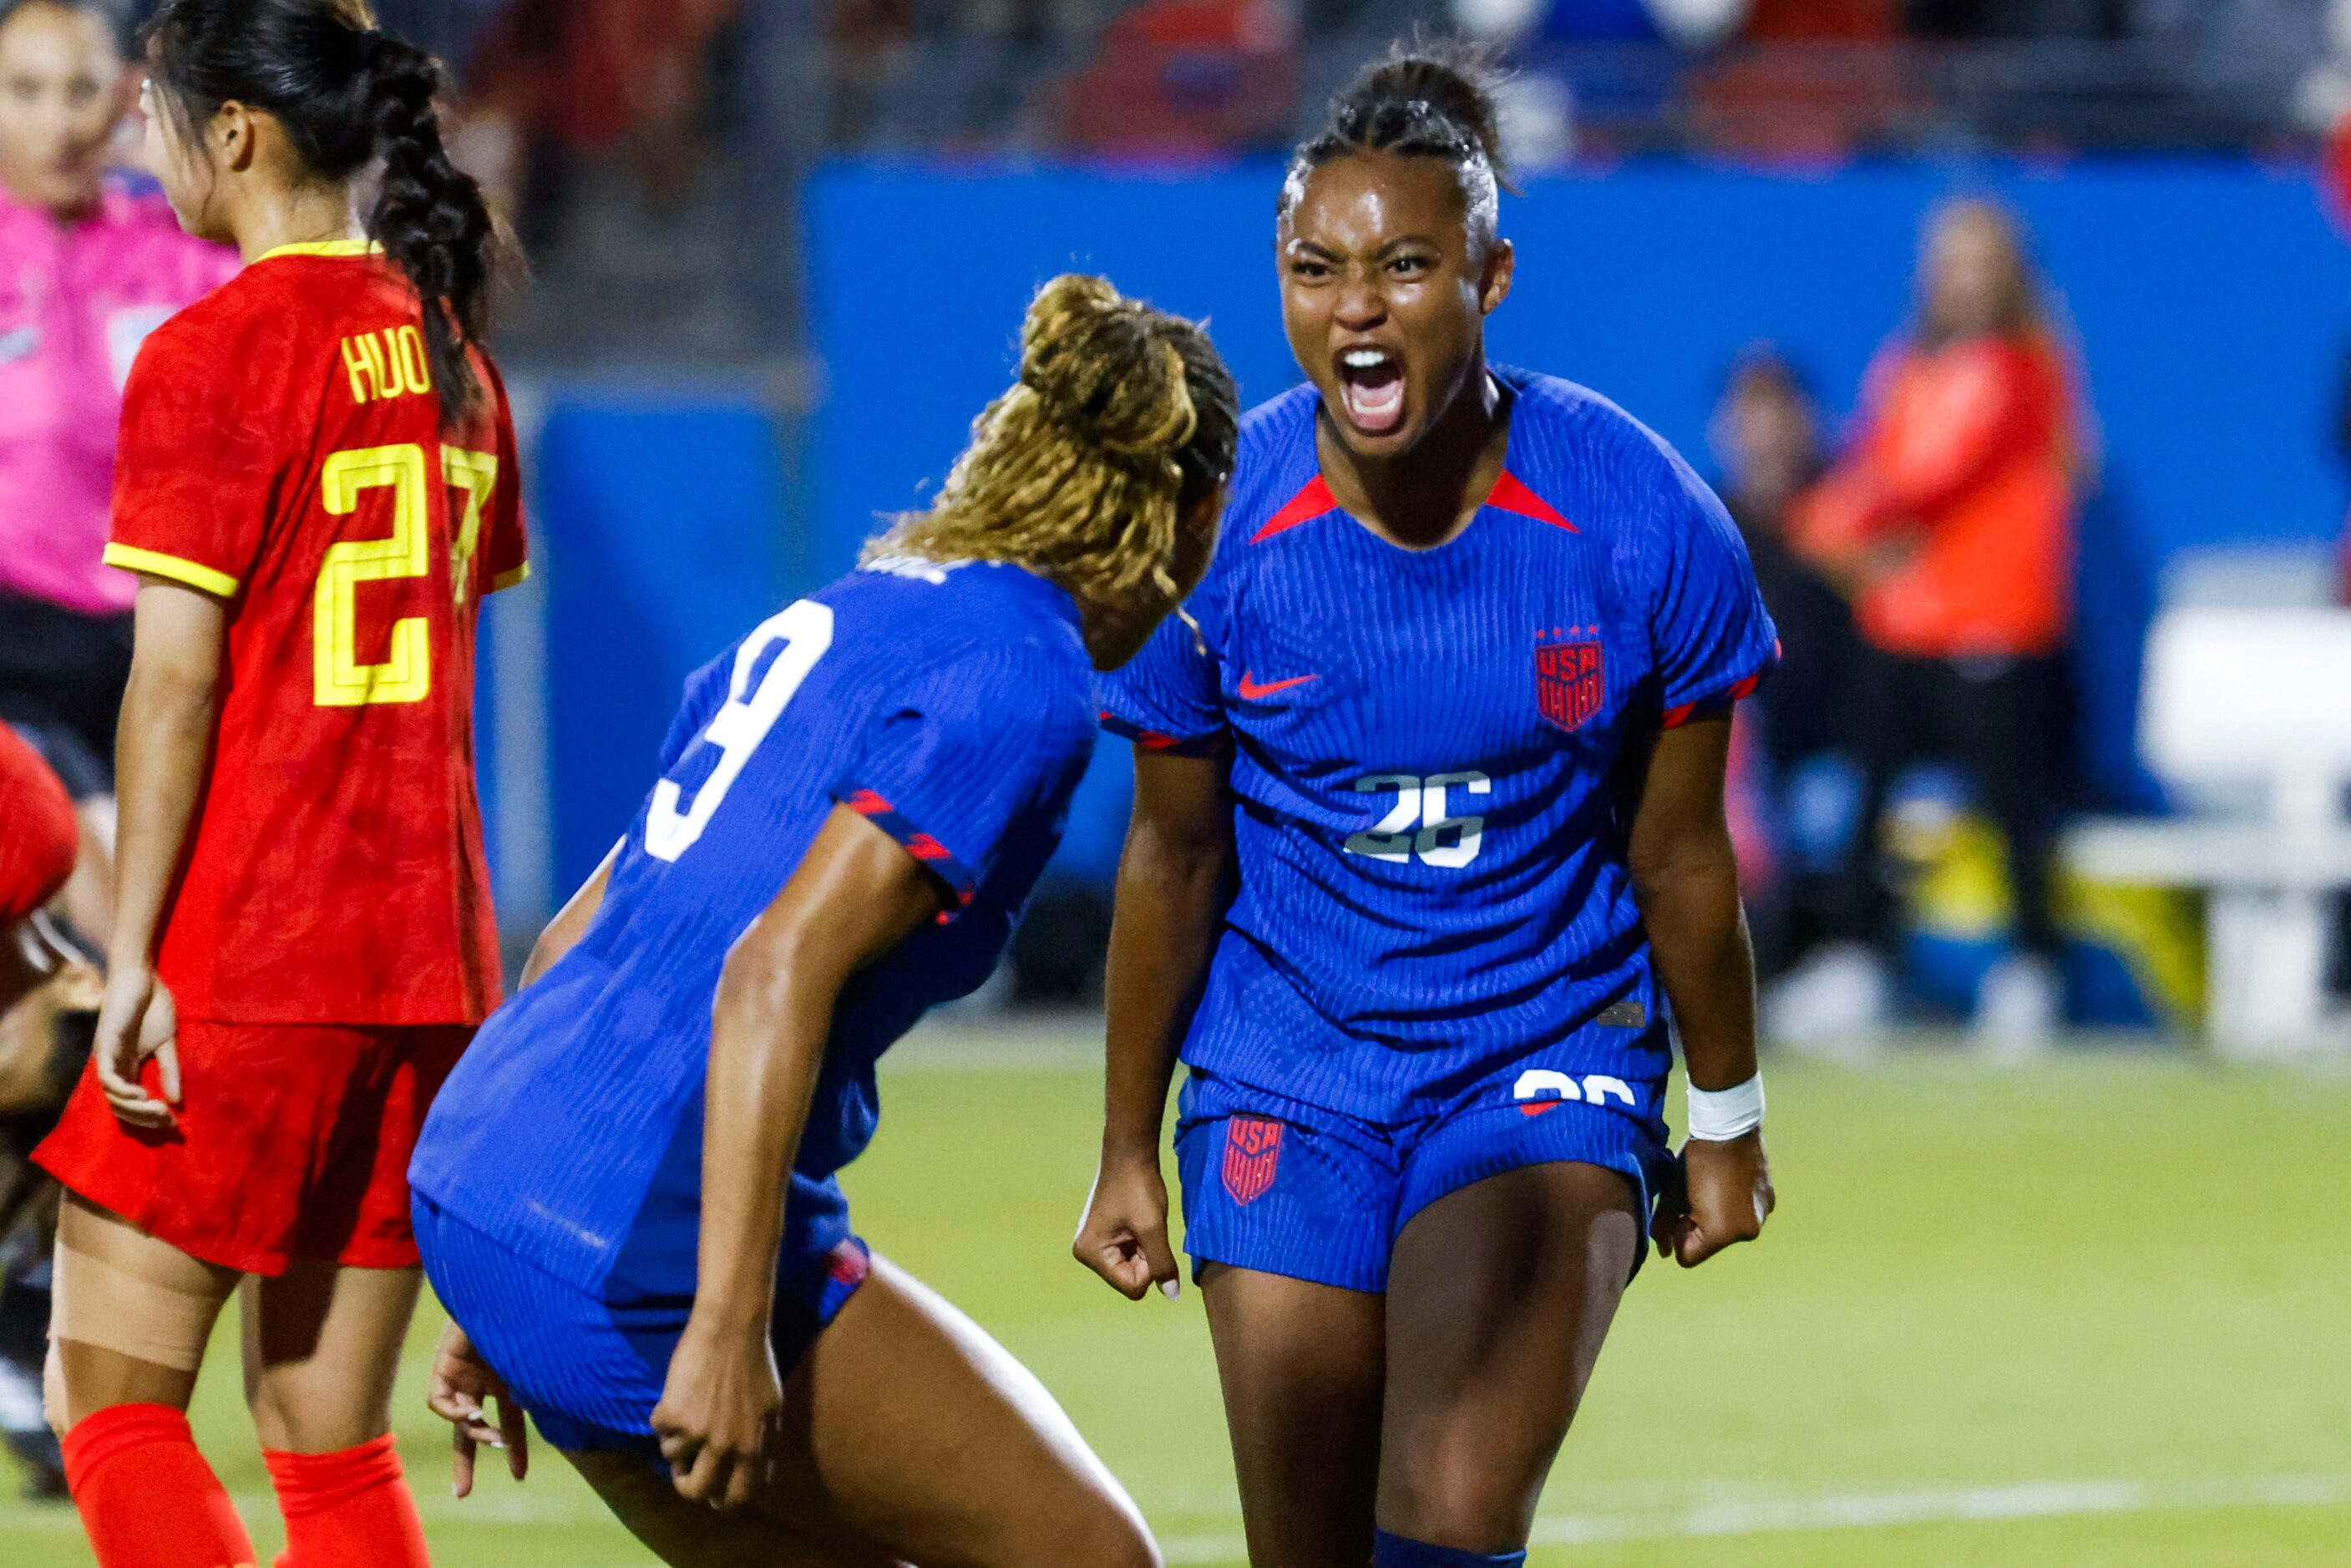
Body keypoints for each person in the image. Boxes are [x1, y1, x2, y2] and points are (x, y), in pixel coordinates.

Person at [409, 273, 1239, 1568]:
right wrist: (726, 1326)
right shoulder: (1024, 678)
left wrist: (502, 1264)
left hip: (486, 1179)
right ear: (1185, 513)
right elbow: (768, 970)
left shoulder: (857, 608)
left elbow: (585, 932)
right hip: (636, 1250)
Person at [1074, 46, 1780, 1568]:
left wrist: (1722, 1113)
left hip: (1540, 1051)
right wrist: (1126, 1140)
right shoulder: (1213, 536)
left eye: (1406, 265)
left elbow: (1677, 849)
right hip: (1288, 1071)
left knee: (1450, 1502)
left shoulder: (1639, 516)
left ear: (1491, 276)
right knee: (1308, 1543)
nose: (1358, 306)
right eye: (1316, 268)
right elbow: (1174, 855)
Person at [30, 3, 523, 1565]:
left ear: (232, 133)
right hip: (427, 962)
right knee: (326, 1441)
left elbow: (173, 682)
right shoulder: (453, 351)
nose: (143, 146)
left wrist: (136, 959)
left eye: (160, 116)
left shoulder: (213, 348)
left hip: (260, 946)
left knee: (105, 1397)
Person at [1777, 195, 2081, 1050]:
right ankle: (1858, 959)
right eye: (1951, 261)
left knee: (2013, 806)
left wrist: (1839, 523)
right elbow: (1875, 460)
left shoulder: (2029, 368)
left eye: (1981, 261)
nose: (1964, 278)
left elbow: (1947, 480)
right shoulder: (1906, 364)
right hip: (1903, 622)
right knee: (1870, 799)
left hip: (1996, 622)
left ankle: (2031, 967)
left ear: (2010, 272)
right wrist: (1834, 523)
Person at [0, 0, 239, 944]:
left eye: (79, 91)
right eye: (24, 93)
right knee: (108, 924)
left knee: (194, 934)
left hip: (165, 648)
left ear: (122, 103)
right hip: (21, 663)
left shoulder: (182, 254)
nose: (58, 122)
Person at [1707, 346, 1860, 977]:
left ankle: (1830, 967)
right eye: (1750, 417)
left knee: (1830, 812)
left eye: (1779, 415)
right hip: (1726, 751)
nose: (1764, 436)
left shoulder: (1847, 523)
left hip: (1827, 752)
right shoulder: (1702, 527)